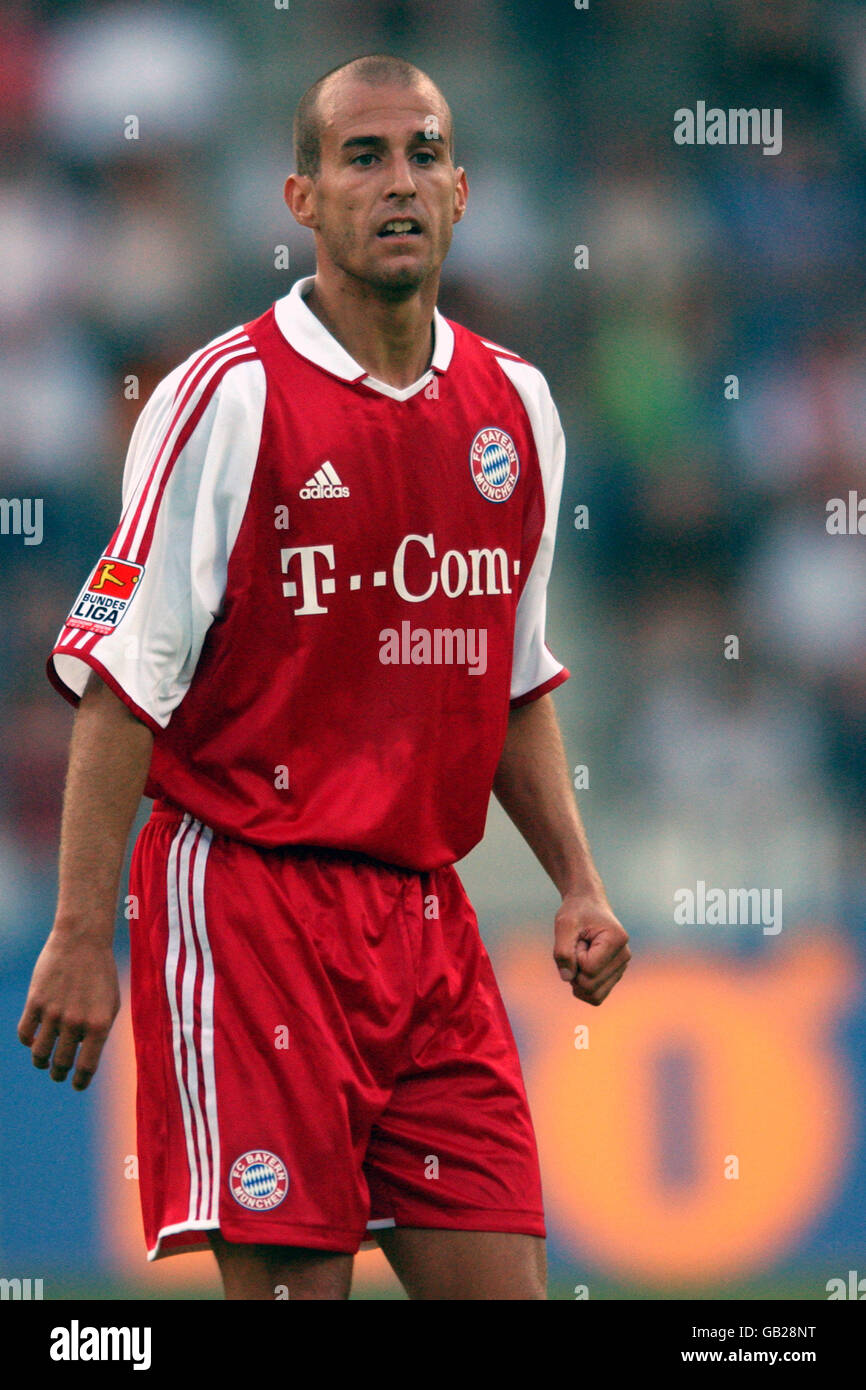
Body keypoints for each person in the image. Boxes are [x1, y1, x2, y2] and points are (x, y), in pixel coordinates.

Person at [18, 53, 630, 1301]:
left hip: (426, 926)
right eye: (361, 157)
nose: (395, 182)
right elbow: (124, 681)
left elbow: (506, 678)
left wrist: (576, 879)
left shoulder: (517, 407)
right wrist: (83, 929)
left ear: (462, 190)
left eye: (420, 155)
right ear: (301, 199)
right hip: (250, 909)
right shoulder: (226, 398)